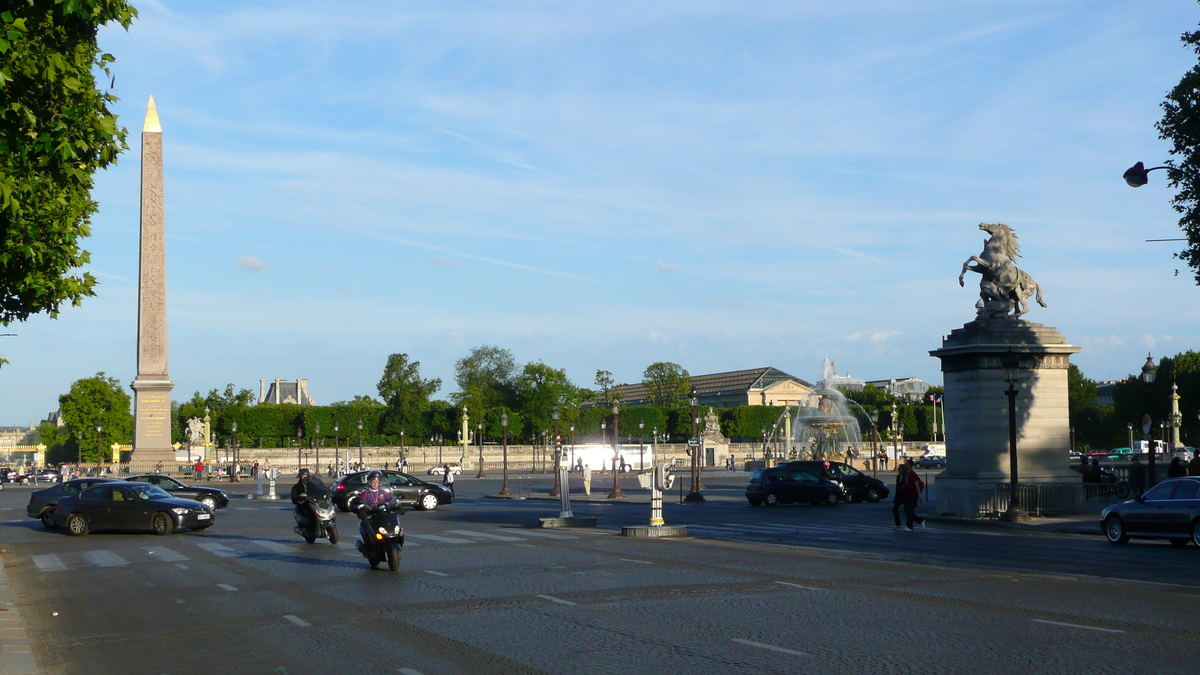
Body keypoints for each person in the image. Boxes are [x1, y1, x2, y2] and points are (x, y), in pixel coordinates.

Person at [356, 471, 395, 538]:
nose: (375, 484)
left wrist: (395, 504)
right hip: (371, 516)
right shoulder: (365, 493)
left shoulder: (383, 492)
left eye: (377, 482)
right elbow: (361, 503)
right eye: (373, 482)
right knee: (367, 525)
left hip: (383, 514)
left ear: (379, 483)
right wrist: (363, 508)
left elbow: (391, 500)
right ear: (370, 482)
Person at [902, 462, 926, 531]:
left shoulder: (913, 475)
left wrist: (919, 496)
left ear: (910, 465)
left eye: (906, 464)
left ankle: (910, 526)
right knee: (907, 511)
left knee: (909, 511)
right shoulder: (906, 474)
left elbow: (917, 485)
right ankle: (919, 521)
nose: (905, 465)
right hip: (906, 495)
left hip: (912, 495)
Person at [892, 465, 908, 531]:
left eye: (900, 468)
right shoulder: (898, 476)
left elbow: (906, 485)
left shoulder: (905, 476)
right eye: (899, 468)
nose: (899, 469)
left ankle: (910, 524)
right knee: (895, 509)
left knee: (907, 510)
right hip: (899, 495)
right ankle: (898, 524)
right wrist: (895, 497)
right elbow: (897, 487)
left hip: (904, 495)